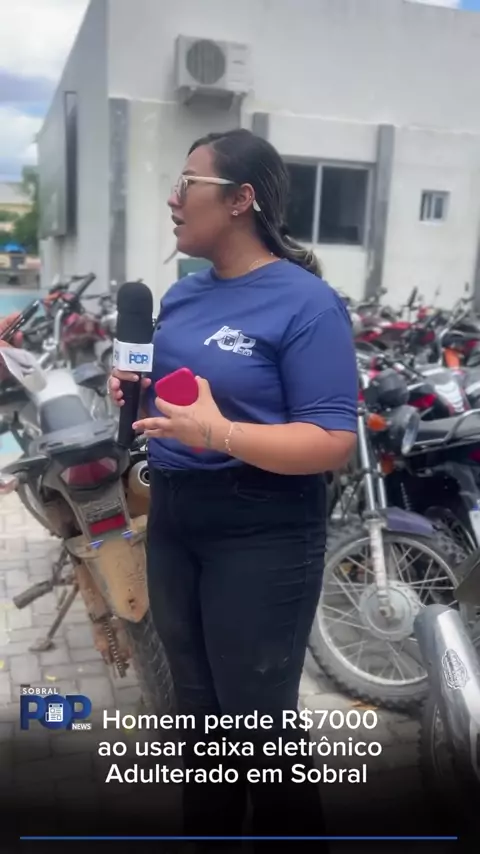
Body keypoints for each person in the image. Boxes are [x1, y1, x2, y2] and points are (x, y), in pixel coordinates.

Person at [109, 129, 358, 849]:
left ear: (241, 200)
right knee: (197, 718)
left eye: (187, 183)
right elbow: (181, 403)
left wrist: (220, 434)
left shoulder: (307, 304)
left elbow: (332, 441)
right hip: (177, 520)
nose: (173, 199)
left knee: (258, 726)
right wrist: (134, 393)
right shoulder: (183, 296)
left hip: (263, 530)